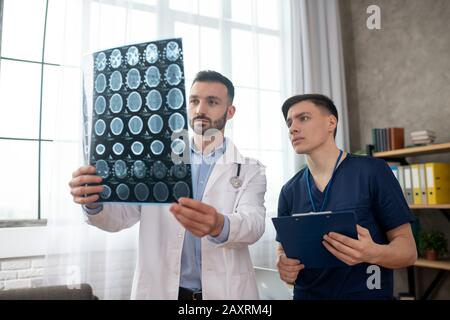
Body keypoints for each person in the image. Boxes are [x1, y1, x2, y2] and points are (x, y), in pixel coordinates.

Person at [68, 70, 267, 300]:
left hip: (225, 293)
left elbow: (254, 223)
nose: (200, 109)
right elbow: (122, 215)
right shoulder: (157, 160)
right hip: (163, 291)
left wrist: (219, 224)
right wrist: (94, 202)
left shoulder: (250, 169)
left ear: (230, 111)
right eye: (194, 101)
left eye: (212, 102)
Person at [275, 94, 417, 300]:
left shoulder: (372, 171)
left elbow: (409, 252)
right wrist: (283, 264)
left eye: (303, 118)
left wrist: (372, 253)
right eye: (289, 122)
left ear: (331, 122)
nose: (292, 128)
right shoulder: (289, 190)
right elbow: (282, 248)